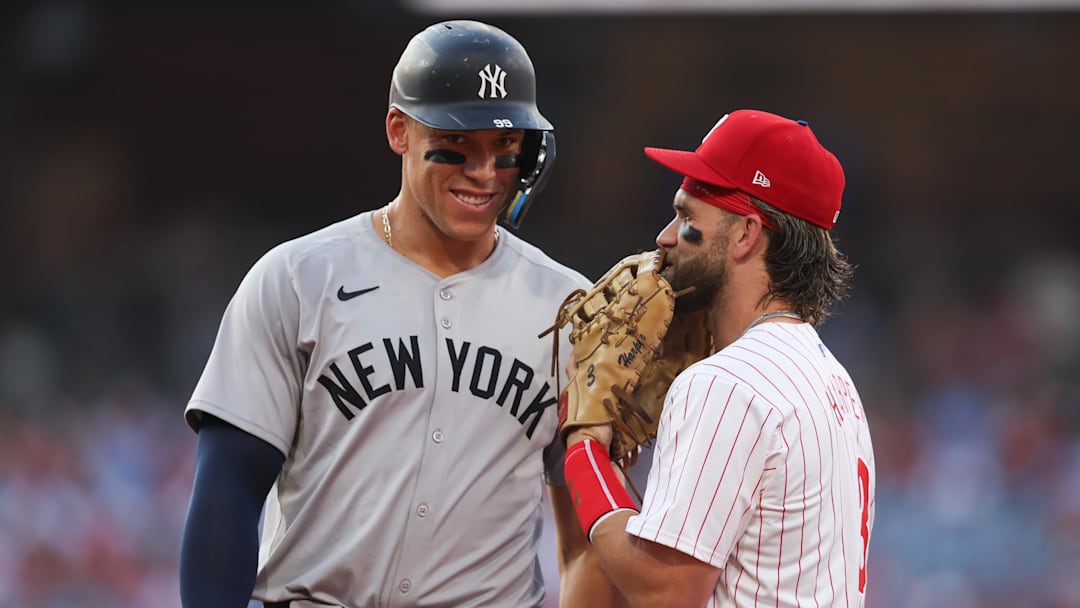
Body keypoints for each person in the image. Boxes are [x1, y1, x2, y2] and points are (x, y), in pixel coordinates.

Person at [180, 20, 621, 608]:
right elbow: (227, 494)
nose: (484, 172)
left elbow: (587, 539)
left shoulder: (572, 310)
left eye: (504, 148)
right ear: (399, 130)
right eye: (458, 144)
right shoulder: (298, 279)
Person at [562, 109, 876, 607]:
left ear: (746, 234)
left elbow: (664, 592)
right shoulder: (832, 378)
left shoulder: (727, 383)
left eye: (688, 217)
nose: (666, 237)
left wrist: (584, 452)